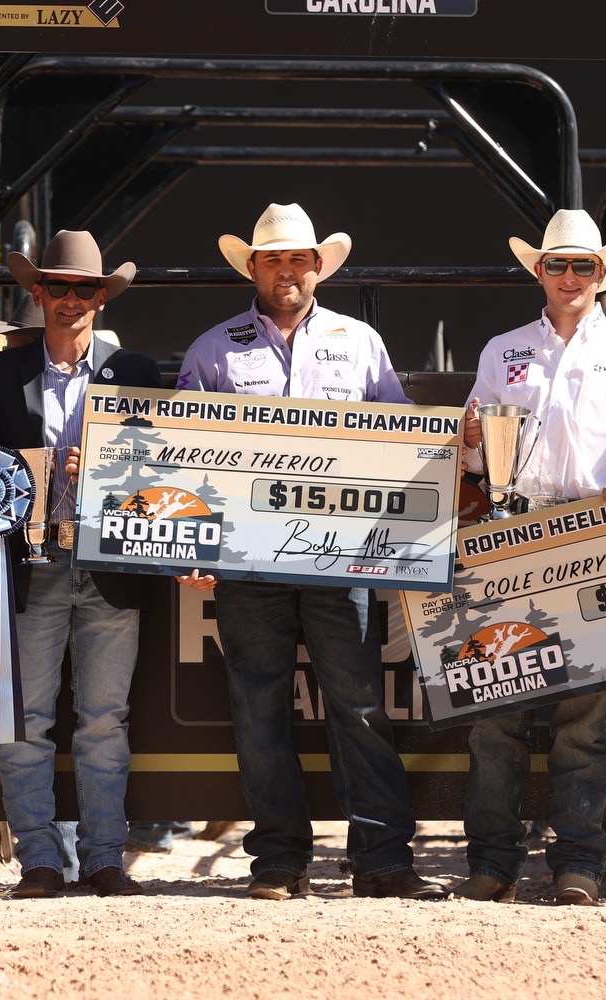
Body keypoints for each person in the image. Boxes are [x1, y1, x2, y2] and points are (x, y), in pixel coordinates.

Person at [175, 202, 443, 901]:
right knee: (260, 708)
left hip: (342, 558)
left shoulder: (361, 343)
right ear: (253, 267)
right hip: (246, 564)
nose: (287, 270)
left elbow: (401, 439)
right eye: (274, 259)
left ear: (318, 266)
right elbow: (179, 460)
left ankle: (383, 860)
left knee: (358, 705)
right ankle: (279, 861)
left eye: (299, 258)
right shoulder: (212, 349)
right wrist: (191, 544)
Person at [454, 209, 606, 905]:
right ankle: (492, 862)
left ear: (601, 274)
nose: (567, 277)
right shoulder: (502, 351)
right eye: (555, 264)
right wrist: (468, 436)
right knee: (494, 707)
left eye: (580, 266)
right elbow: (474, 458)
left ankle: (577, 864)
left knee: (583, 714)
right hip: (512, 525)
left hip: (597, 530)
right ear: (538, 271)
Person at [0, 230, 163, 899]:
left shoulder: (136, 372)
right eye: (60, 287)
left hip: (111, 565)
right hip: (32, 561)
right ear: (38, 293)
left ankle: (106, 858)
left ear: (102, 299)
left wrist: (110, 474)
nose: (73, 299)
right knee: (27, 722)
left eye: (87, 288)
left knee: (104, 719)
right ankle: (41, 862)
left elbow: (169, 471)